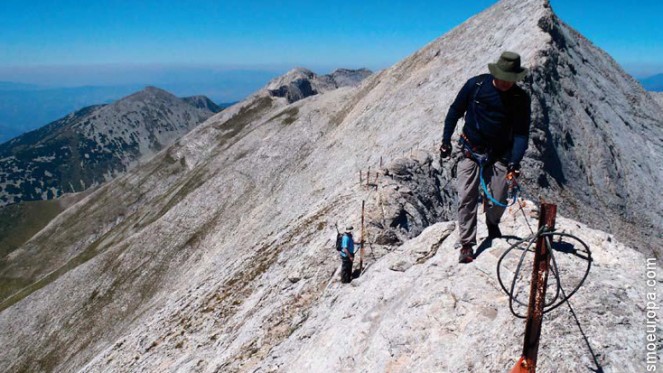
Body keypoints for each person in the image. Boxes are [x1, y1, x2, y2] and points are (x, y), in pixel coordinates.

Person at [440, 51, 531, 264]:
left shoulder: (520, 99)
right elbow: (455, 111)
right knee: (466, 197)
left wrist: (514, 162)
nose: (507, 83)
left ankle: (492, 222)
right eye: (504, 78)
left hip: (500, 154)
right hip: (470, 149)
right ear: (496, 73)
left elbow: (521, 133)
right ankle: (467, 244)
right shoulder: (476, 86)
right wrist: (445, 140)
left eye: (512, 79)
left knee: (499, 198)